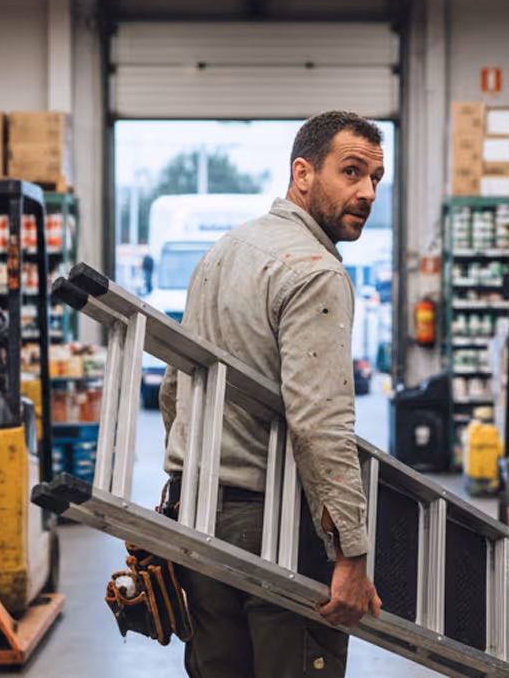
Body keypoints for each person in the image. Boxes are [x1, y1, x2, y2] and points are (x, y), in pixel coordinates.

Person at [157, 111, 385, 678]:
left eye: (377, 179)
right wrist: (351, 555)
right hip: (273, 523)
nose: (367, 192)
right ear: (302, 174)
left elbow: (173, 389)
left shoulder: (224, 251)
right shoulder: (314, 271)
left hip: (199, 519)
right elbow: (321, 422)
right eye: (351, 171)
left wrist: (193, 476)